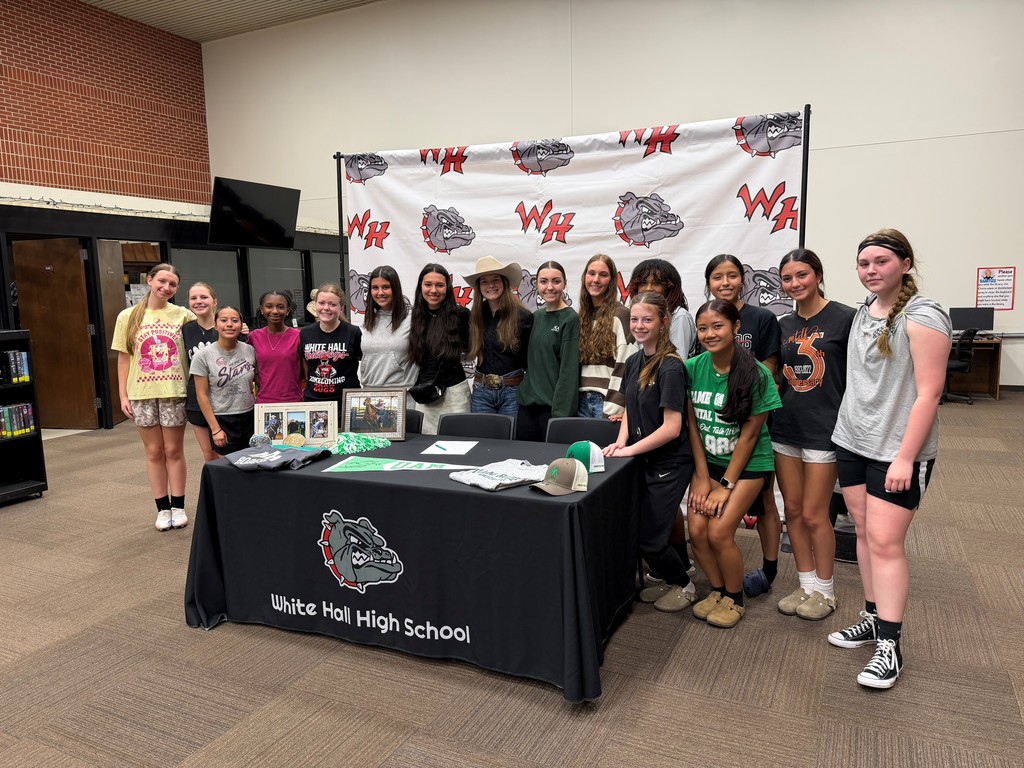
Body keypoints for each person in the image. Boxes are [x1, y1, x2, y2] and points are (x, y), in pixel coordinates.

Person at [828, 228, 950, 689]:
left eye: (881, 261)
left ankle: (890, 646)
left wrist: (905, 458)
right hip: (853, 441)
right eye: (864, 264)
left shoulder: (923, 316)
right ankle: (873, 618)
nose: (871, 270)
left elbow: (930, 393)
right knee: (862, 532)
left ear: (905, 264)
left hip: (896, 452)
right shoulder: (864, 312)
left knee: (885, 542)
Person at [685, 299, 782, 628]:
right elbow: (693, 428)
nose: (709, 334)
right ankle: (717, 590)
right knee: (696, 530)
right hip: (708, 463)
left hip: (749, 465)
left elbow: (751, 436)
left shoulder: (758, 374)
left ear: (736, 327)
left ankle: (735, 599)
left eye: (717, 326)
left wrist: (725, 486)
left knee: (720, 531)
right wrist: (701, 477)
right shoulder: (692, 368)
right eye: (703, 328)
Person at [771, 249, 855, 621]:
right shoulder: (783, 324)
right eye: (787, 278)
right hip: (786, 426)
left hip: (825, 429)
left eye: (802, 275)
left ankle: (826, 591)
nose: (795, 284)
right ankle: (805, 584)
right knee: (791, 511)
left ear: (818, 275)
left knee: (815, 513)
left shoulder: (845, 318)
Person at [604, 292, 696, 612]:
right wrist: (621, 440)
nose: (639, 326)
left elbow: (672, 428)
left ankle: (685, 586)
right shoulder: (633, 361)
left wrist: (630, 451)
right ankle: (674, 576)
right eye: (634, 319)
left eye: (647, 319)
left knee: (649, 540)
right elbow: (630, 406)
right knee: (645, 528)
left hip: (670, 460)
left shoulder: (670, 367)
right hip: (644, 455)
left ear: (663, 323)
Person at [704, 253, 783, 598]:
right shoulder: (708, 317)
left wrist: (742, 405)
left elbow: (768, 369)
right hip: (719, 427)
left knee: (764, 496)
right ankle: (726, 575)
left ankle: (769, 567)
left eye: (732, 275)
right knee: (716, 517)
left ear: (743, 279)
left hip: (755, 418)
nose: (725, 282)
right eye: (717, 277)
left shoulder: (762, 318)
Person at [111, 263, 196, 531]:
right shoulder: (129, 316)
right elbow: (124, 358)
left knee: (173, 450)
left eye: (172, 284)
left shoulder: (183, 315)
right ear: (149, 280)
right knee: (154, 451)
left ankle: (178, 505)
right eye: (161, 281)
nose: (166, 288)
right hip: (142, 393)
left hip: (174, 391)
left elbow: (206, 334)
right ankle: (162, 508)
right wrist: (123, 393)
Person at [516, 261, 580, 441]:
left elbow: (569, 372)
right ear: (536, 284)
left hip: (552, 411)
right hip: (527, 408)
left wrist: (560, 417)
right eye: (544, 281)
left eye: (556, 281)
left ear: (565, 283)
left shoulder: (570, 318)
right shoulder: (535, 317)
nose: (550, 287)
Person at [464, 256, 532, 417]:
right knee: (482, 438)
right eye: (484, 281)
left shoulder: (523, 317)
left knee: (510, 440)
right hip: (481, 391)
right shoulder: (475, 316)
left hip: (513, 391)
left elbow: (529, 361)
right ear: (479, 287)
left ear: (504, 283)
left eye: (495, 279)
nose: (491, 285)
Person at [408, 263, 471, 434]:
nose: (433, 290)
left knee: (459, 445)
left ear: (448, 288)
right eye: (428, 284)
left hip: (455, 394)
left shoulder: (462, 315)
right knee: (426, 448)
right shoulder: (412, 317)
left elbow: (471, 350)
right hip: (425, 396)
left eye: (440, 285)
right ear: (420, 286)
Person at [191, 306, 257, 455]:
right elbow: (201, 395)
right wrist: (215, 429)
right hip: (223, 418)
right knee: (229, 467)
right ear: (215, 325)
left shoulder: (250, 350)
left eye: (234, 321)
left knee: (253, 463)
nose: (229, 324)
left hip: (250, 415)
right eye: (223, 320)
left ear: (241, 325)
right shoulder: (203, 356)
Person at [578, 254, 631, 419]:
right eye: (591, 273)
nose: (596, 279)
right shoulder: (581, 316)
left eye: (603, 275)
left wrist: (614, 408)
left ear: (612, 280)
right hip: (580, 401)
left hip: (604, 402)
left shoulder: (621, 315)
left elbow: (626, 363)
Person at [359, 266, 418, 404]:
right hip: (369, 393)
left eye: (386, 287)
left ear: (395, 289)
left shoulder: (412, 318)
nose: (380, 293)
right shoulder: (368, 319)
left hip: (403, 395)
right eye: (375, 288)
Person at [300, 282, 361, 402]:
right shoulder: (305, 333)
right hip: (314, 402)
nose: (326, 308)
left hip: (346, 402)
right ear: (315, 304)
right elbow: (305, 364)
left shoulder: (353, 332)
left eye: (332, 304)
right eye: (321, 303)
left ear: (341, 308)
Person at [625, 258, 697, 358]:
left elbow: (678, 360)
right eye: (643, 283)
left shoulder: (679, 316)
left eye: (656, 283)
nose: (648, 288)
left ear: (669, 287)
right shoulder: (636, 316)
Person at [182, 282, 222, 462]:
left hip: (225, 401)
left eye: (204, 297)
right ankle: (213, 490)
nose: (199, 301)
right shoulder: (185, 330)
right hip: (197, 399)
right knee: (208, 454)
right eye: (193, 298)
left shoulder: (228, 327)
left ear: (214, 301)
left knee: (226, 454)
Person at [249, 290, 303, 404]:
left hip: (294, 401)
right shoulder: (254, 337)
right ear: (262, 310)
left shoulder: (298, 336)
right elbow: (251, 368)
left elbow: (305, 371)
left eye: (280, 307)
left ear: (287, 311)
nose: (274, 311)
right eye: (269, 306)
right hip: (264, 402)